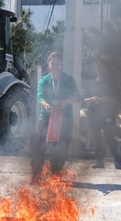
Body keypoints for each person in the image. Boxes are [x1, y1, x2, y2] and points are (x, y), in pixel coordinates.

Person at [30, 52, 81, 181]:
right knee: (39, 145)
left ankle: (56, 174)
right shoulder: (44, 80)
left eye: (58, 63)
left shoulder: (69, 80)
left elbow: (77, 97)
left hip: (65, 119)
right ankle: (36, 173)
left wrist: (66, 101)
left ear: (62, 65)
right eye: (53, 63)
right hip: (46, 118)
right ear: (49, 65)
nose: (55, 66)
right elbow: (40, 96)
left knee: (62, 147)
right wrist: (46, 104)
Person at [83, 62, 121, 170]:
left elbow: (116, 99)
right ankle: (100, 162)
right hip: (93, 115)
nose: (100, 70)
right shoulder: (91, 83)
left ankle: (117, 162)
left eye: (102, 68)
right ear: (95, 70)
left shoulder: (111, 83)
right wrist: (92, 99)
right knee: (97, 139)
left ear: (105, 70)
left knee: (110, 138)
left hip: (107, 114)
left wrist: (107, 99)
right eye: (98, 68)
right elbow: (84, 99)